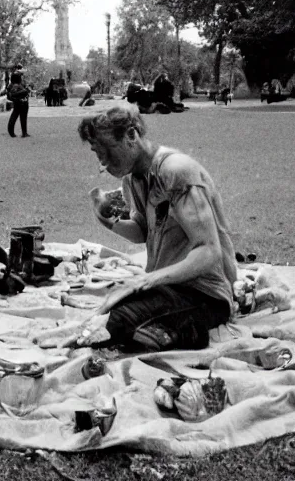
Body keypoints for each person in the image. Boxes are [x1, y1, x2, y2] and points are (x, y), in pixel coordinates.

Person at [76, 105, 236, 351]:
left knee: (118, 324)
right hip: (168, 288)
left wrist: (148, 280)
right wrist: (109, 221)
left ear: (131, 135)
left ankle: (188, 334)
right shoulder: (132, 179)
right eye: (98, 154)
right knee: (105, 314)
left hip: (205, 294)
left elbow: (208, 251)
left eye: (106, 150)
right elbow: (142, 231)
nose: (103, 162)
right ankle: (163, 330)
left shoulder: (176, 171)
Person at [1, 69, 31, 137]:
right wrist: (25, 91)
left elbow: (9, 94)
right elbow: (23, 92)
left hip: (17, 103)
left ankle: (11, 132)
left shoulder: (10, 85)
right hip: (23, 103)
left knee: (14, 116)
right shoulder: (17, 85)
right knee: (23, 118)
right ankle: (24, 133)